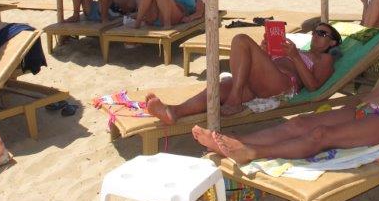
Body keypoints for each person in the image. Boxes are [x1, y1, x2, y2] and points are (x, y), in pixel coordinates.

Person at [192, 33, 379, 164]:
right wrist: (340, 107)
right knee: (300, 123)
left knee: (320, 135)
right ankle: (234, 142)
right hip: (363, 109)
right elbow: (372, 94)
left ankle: (252, 152)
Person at [146, 22, 341, 125]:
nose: (315, 35)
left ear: (332, 42)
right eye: (315, 31)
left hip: (283, 85)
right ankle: (174, 112)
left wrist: (295, 56)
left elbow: (313, 86)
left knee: (241, 39)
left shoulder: (325, 59)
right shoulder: (297, 48)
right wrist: (265, 51)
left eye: (322, 33)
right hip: (263, 81)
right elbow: (263, 65)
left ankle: (235, 100)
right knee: (221, 87)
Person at [131, 0, 203, 29]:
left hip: (175, 16)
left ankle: (167, 23)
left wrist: (190, 18)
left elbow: (200, 13)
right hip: (154, 15)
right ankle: (138, 21)